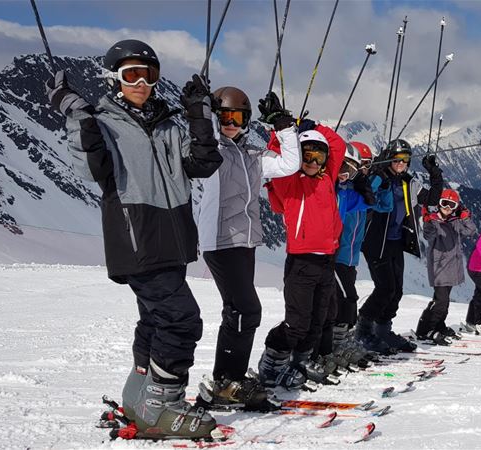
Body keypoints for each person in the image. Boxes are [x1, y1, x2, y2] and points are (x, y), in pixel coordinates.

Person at [46, 39, 223, 439]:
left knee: (156, 321)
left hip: (173, 241)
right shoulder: (103, 122)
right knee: (181, 321)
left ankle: (141, 394)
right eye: (131, 75)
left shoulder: (166, 125)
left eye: (149, 75)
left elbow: (203, 163)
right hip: (137, 241)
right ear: (114, 80)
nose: (141, 83)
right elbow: (92, 170)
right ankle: (161, 406)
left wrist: (198, 114)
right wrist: (77, 116)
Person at [194, 88, 300, 410]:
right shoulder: (211, 151)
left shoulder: (254, 156)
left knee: (239, 311)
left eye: (237, 118)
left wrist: (283, 126)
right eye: (224, 117)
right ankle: (227, 381)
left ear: (246, 121)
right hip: (220, 240)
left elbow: (290, 164)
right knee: (246, 310)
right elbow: (202, 144)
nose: (230, 123)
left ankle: (229, 380)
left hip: (246, 241)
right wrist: (201, 112)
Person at [258, 122, 346, 388]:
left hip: (327, 260)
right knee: (297, 322)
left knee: (318, 319)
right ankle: (272, 360)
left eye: (318, 156)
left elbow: (338, 145)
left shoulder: (327, 178)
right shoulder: (290, 182)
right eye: (306, 154)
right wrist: (284, 131)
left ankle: (301, 361)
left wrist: (315, 126)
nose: (312, 161)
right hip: (302, 262)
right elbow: (274, 155)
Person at [356, 140, 444, 353]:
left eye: (405, 159)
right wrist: (378, 171)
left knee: (396, 291)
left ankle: (383, 330)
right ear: (389, 158)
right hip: (376, 241)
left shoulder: (408, 182)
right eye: (397, 159)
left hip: (396, 241)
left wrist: (434, 174)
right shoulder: (378, 177)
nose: (401, 163)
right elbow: (365, 191)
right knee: (385, 288)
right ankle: (363, 330)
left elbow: (432, 199)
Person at [315, 141, 393, 372]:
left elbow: (381, 206)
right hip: (337, 255)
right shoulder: (343, 190)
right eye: (360, 166)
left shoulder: (356, 190)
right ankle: (339, 345)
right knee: (347, 300)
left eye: (367, 166)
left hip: (350, 258)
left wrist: (384, 185)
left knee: (341, 302)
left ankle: (341, 344)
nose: (363, 171)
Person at [415, 189, 477, 345]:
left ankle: (438, 325)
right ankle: (427, 329)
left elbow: (470, 231)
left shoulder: (455, 221)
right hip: (439, 267)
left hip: (452, 266)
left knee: (444, 301)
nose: (448, 208)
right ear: (439, 204)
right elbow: (428, 235)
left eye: (452, 205)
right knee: (441, 302)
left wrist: (465, 217)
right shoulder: (434, 221)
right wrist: (428, 221)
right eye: (444, 204)